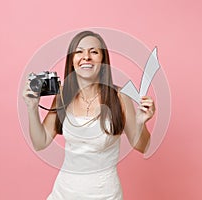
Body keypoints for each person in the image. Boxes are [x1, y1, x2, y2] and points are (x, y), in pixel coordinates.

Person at [22, 30, 155, 200]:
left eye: (94, 52)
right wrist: (32, 108)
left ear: (103, 60)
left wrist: (140, 123)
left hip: (105, 194)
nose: (86, 57)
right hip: (63, 193)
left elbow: (143, 146)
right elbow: (40, 142)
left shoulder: (119, 96)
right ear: (72, 61)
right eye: (79, 52)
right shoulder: (63, 95)